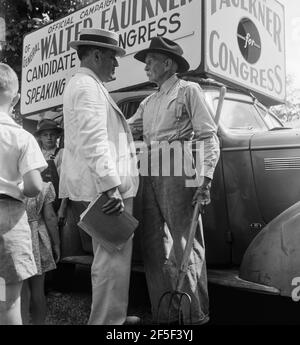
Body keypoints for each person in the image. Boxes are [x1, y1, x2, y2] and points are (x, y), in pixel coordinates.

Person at [128, 36, 220, 324]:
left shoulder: (189, 91)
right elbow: (128, 129)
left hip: (179, 164)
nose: (146, 67)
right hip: (149, 168)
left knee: (185, 242)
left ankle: (195, 317)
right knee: (153, 244)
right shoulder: (148, 101)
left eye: (150, 61)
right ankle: (164, 316)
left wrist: (204, 179)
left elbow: (207, 135)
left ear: (167, 63)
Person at [59, 28, 139, 325]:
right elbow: (94, 140)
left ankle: (112, 315)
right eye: (112, 58)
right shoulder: (87, 87)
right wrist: (111, 188)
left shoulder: (85, 85)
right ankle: (107, 323)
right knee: (111, 261)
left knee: (112, 259)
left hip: (100, 187)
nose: (116, 64)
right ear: (95, 55)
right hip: (103, 190)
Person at [0, 63, 47, 325]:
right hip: (9, 219)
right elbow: (35, 186)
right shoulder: (23, 137)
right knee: (9, 303)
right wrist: (19, 188)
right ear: (16, 99)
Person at [22, 181, 60, 324]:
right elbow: (50, 217)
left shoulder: (9, 186)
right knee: (38, 291)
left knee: (21, 290)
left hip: (17, 236)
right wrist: (57, 244)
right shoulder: (44, 187)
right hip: (37, 240)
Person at [34, 119, 64, 213]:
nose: (49, 137)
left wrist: (63, 208)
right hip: (37, 202)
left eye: (52, 134)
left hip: (57, 202)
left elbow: (66, 183)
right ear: (40, 137)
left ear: (57, 136)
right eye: (45, 135)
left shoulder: (62, 153)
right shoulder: (34, 154)